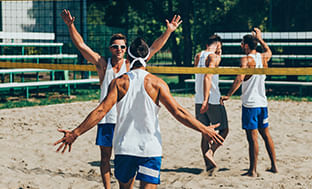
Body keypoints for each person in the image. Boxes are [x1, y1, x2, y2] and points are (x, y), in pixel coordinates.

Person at [54, 33, 225, 188]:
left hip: (125, 148)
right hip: (150, 149)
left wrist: (75, 133)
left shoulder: (119, 83)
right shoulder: (157, 83)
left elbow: (100, 111)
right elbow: (178, 112)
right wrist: (204, 129)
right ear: (146, 57)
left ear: (128, 56)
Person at [60, 9, 182, 189]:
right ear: (110, 48)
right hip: (106, 119)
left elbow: (154, 47)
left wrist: (169, 31)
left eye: (122, 47)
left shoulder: (132, 64)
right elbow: (82, 46)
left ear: (127, 50)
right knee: (105, 158)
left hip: (126, 121)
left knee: (126, 161)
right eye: (116, 46)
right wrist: (70, 26)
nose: (119, 49)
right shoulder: (103, 64)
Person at [221, 28, 277, 177]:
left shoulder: (246, 60)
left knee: (252, 138)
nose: (241, 45)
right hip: (262, 103)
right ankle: (274, 166)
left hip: (250, 104)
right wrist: (261, 39)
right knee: (266, 135)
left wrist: (228, 95)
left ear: (246, 45)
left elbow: (239, 78)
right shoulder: (263, 58)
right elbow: (269, 51)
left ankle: (252, 170)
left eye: (242, 43)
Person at [193, 34, 229, 171]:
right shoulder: (213, 57)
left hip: (198, 98)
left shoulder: (198, 56)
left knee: (205, 132)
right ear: (218, 45)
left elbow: (198, 74)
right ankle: (211, 152)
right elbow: (207, 77)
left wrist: (202, 99)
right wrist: (206, 100)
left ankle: (208, 166)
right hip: (211, 99)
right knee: (224, 129)